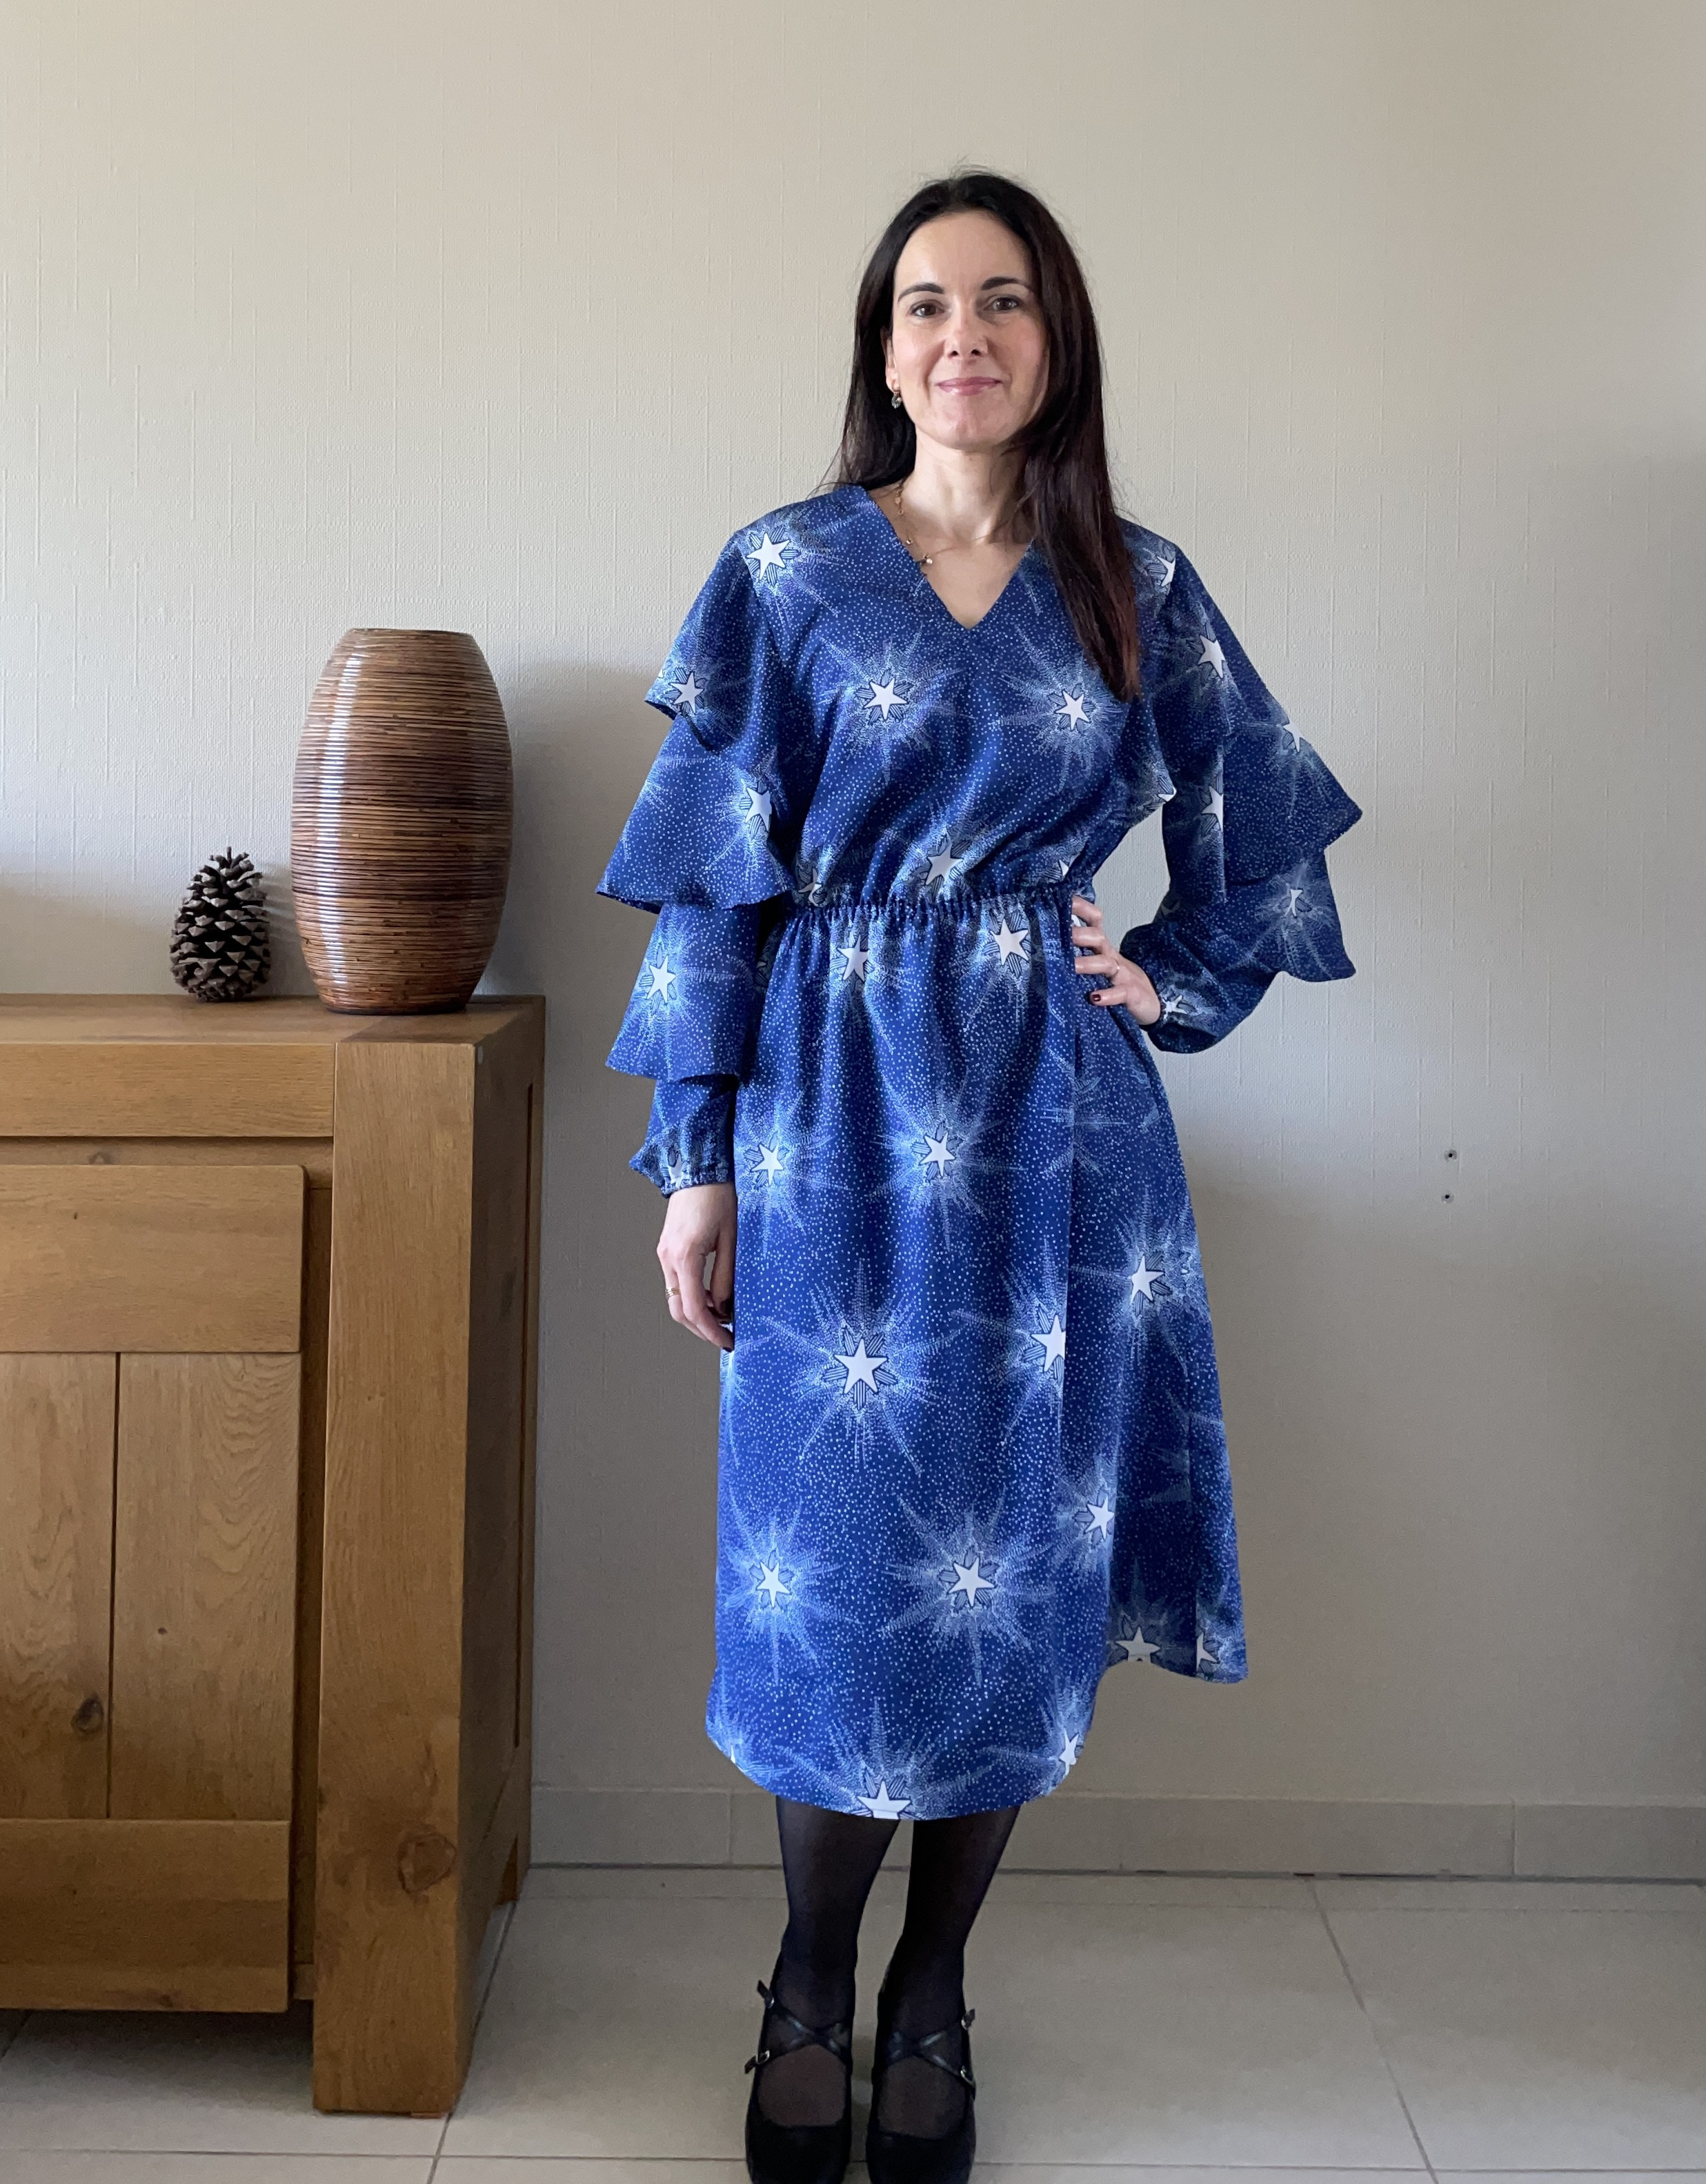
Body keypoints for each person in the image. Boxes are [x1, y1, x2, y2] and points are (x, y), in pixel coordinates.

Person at [596, 170, 1360, 2184]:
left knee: (1008, 1570)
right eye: (928, 301)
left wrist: (1170, 974)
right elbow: (711, 892)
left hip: (1055, 1139)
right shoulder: (781, 573)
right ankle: (808, 1977)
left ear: (1055, 340)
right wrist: (696, 1165)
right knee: (840, 1576)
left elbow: (1266, 830)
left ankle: (932, 1989)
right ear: (884, 345)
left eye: (1005, 300)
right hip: (827, 1124)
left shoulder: (1136, 583)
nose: (966, 335)